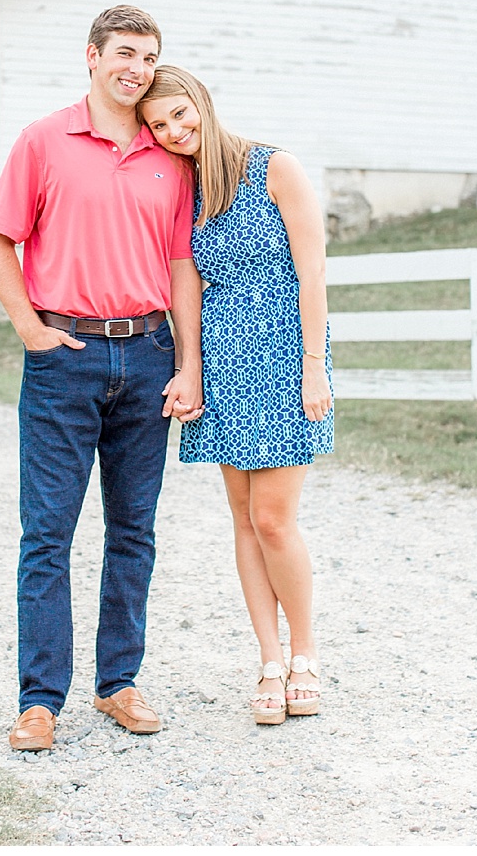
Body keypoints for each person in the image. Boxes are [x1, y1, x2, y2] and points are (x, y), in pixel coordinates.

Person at [0, 5, 203, 753]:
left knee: (133, 530)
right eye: (124, 53)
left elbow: (180, 267)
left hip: (147, 355)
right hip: (63, 357)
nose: (135, 68)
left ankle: (118, 685)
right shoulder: (45, 140)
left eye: (148, 56)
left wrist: (187, 363)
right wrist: (30, 330)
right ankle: (40, 701)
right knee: (48, 533)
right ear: (92, 57)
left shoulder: (169, 156)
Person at [139, 65, 334, 724]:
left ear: (201, 102)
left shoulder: (273, 166)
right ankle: (269, 660)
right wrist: (190, 367)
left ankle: (305, 654)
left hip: (284, 350)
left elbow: (312, 272)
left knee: (275, 518)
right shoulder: (184, 191)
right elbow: (185, 285)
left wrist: (313, 366)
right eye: (160, 125)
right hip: (222, 356)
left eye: (179, 115)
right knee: (244, 517)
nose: (174, 131)